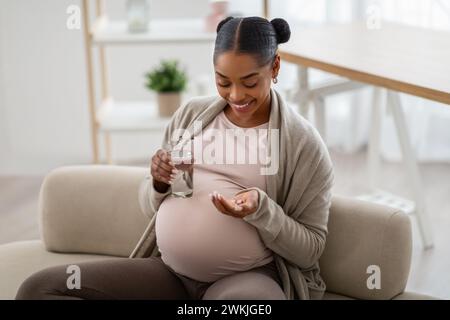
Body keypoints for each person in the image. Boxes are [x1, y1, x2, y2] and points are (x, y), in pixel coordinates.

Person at [16, 16, 334, 300]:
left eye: (249, 82)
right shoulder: (192, 115)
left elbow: (310, 251)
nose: (236, 95)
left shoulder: (303, 145)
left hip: (245, 280)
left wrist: (262, 209)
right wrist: (156, 181)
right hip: (168, 274)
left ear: (275, 67)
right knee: (40, 289)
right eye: (223, 82)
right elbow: (149, 206)